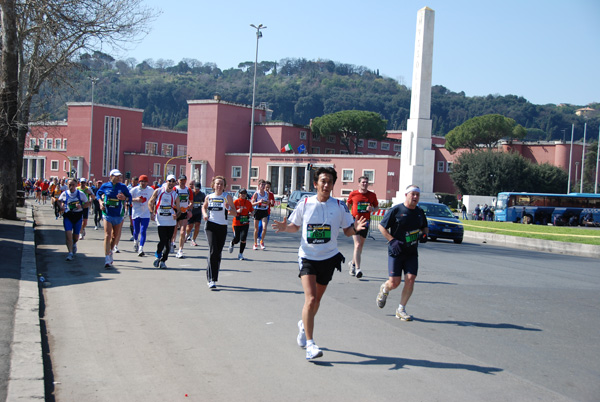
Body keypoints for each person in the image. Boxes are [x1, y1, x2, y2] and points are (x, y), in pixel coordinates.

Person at [271, 167, 366, 360]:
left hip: (329, 258)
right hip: (307, 256)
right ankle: (311, 344)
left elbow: (347, 230)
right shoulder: (305, 203)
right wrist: (284, 227)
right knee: (311, 299)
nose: (326, 184)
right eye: (323, 181)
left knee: (317, 301)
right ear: (316, 184)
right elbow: (295, 226)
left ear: (333, 185)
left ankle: (302, 325)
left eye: (329, 181)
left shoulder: (339, 206)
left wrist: (355, 229)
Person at [376, 184, 428, 321]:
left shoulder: (419, 212)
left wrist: (424, 235)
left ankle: (401, 309)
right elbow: (381, 226)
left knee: (410, 279)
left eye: (417, 195)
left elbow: (425, 227)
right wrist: (392, 240)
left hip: (411, 252)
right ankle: (385, 289)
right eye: (413, 194)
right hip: (396, 251)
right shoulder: (397, 210)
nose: (415, 197)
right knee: (395, 282)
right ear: (406, 195)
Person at [202, 176, 237, 289]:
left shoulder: (227, 197)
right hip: (210, 226)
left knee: (218, 253)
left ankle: (213, 275)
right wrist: (205, 214)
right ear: (213, 185)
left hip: (222, 226)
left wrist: (228, 209)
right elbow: (204, 207)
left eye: (221, 184)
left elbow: (235, 213)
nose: (219, 186)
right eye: (217, 184)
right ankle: (211, 279)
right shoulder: (209, 196)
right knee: (213, 250)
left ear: (224, 186)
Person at [97, 169, 132, 269]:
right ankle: (107, 257)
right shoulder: (105, 186)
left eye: (119, 176)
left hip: (118, 214)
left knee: (114, 236)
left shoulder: (123, 187)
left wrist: (124, 198)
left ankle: (110, 251)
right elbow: (98, 194)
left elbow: (129, 197)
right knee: (107, 235)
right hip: (107, 213)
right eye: (116, 176)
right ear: (111, 176)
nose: (118, 178)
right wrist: (100, 202)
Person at [346, 176, 378, 279]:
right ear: (359, 184)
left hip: (365, 222)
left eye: (366, 182)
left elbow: (377, 207)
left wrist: (372, 208)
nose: (365, 184)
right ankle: (358, 269)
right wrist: (346, 215)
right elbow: (348, 204)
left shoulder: (372, 195)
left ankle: (352, 263)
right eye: (363, 182)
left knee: (360, 247)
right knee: (358, 244)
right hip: (355, 222)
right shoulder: (353, 194)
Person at [148, 174, 180, 268]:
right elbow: (150, 202)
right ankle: (158, 255)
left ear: (175, 183)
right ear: (166, 181)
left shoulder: (175, 195)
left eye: (173, 181)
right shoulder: (158, 191)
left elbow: (179, 210)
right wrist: (151, 213)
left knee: (168, 242)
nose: (171, 183)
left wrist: (176, 215)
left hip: (171, 220)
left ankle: (163, 261)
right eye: (169, 181)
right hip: (161, 219)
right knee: (162, 240)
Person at [58, 179, 90, 261]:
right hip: (68, 216)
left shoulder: (81, 194)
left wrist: (81, 206)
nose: (71, 186)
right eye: (69, 184)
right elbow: (59, 201)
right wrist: (61, 206)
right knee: (68, 235)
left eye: (72, 184)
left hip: (78, 216)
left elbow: (87, 203)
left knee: (75, 237)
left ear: (76, 185)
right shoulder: (64, 194)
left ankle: (74, 243)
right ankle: (70, 253)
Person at [130, 174, 154, 256]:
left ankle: (141, 248)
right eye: (141, 181)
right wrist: (135, 199)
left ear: (147, 182)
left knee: (143, 231)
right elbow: (127, 199)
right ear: (139, 182)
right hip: (136, 213)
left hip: (146, 214)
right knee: (136, 231)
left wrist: (152, 210)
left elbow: (154, 199)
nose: (143, 183)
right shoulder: (134, 190)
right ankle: (135, 241)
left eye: (145, 181)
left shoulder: (150, 190)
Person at [228, 188, 253, 260]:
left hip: (245, 222)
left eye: (244, 194)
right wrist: (237, 211)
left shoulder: (248, 203)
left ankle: (240, 254)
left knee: (243, 239)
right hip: (237, 223)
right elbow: (230, 211)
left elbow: (252, 211)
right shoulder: (235, 202)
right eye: (242, 193)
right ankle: (232, 243)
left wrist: (251, 213)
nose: (243, 195)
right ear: (239, 194)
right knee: (237, 239)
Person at [172, 175, 193, 258]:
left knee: (182, 231)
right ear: (178, 181)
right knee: (174, 229)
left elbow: (191, 202)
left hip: (184, 212)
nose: (183, 182)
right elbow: (171, 200)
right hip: (175, 211)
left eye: (184, 180)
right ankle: (172, 242)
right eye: (181, 180)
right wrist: (175, 209)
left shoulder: (188, 190)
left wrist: (188, 209)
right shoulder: (175, 189)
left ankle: (180, 250)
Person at [251, 179, 270, 250]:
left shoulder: (266, 193)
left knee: (264, 228)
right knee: (256, 229)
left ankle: (262, 241)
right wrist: (258, 202)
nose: (263, 186)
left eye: (264, 184)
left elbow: (267, 202)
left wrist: (267, 202)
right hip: (257, 211)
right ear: (259, 186)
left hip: (264, 211)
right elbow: (252, 204)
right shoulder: (256, 194)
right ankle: (255, 243)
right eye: (262, 184)